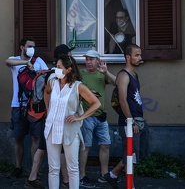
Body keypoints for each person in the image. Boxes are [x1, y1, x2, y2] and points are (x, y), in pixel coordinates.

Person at [44, 54, 101, 189]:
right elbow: (46, 92)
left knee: (73, 169)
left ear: (68, 69)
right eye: (56, 66)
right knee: (53, 168)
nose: (55, 69)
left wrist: (79, 117)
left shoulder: (77, 86)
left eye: (59, 67)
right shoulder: (52, 82)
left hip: (70, 130)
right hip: (52, 129)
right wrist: (48, 111)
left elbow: (96, 103)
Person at [25, 44, 74, 189]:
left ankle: (32, 177)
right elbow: (51, 95)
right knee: (61, 150)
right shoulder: (56, 75)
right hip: (53, 119)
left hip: (48, 117)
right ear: (64, 57)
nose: (71, 57)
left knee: (42, 147)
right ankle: (65, 180)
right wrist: (50, 111)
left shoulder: (52, 73)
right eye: (69, 55)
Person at [104, 44, 149, 189]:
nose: (140, 58)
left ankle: (114, 176)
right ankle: (119, 179)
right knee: (130, 154)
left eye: (140, 55)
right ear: (128, 57)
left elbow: (116, 83)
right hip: (129, 122)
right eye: (137, 55)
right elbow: (122, 100)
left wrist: (106, 72)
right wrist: (131, 122)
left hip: (137, 120)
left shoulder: (133, 75)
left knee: (132, 155)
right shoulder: (124, 75)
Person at [5, 37, 48, 179]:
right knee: (18, 138)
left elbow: (48, 76)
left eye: (33, 46)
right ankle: (18, 167)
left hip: (35, 106)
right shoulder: (15, 59)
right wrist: (26, 63)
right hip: (18, 105)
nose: (32, 49)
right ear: (22, 47)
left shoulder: (39, 61)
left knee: (36, 137)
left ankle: (33, 170)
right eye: (29, 46)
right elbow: (7, 62)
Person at [79, 50, 116, 188]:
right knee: (85, 147)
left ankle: (104, 174)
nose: (88, 62)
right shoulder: (81, 75)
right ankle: (81, 176)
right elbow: (75, 92)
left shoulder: (102, 73)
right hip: (87, 116)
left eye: (91, 59)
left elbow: (116, 83)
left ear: (98, 61)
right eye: (87, 59)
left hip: (101, 116)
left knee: (105, 145)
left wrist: (106, 72)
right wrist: (87, 94)